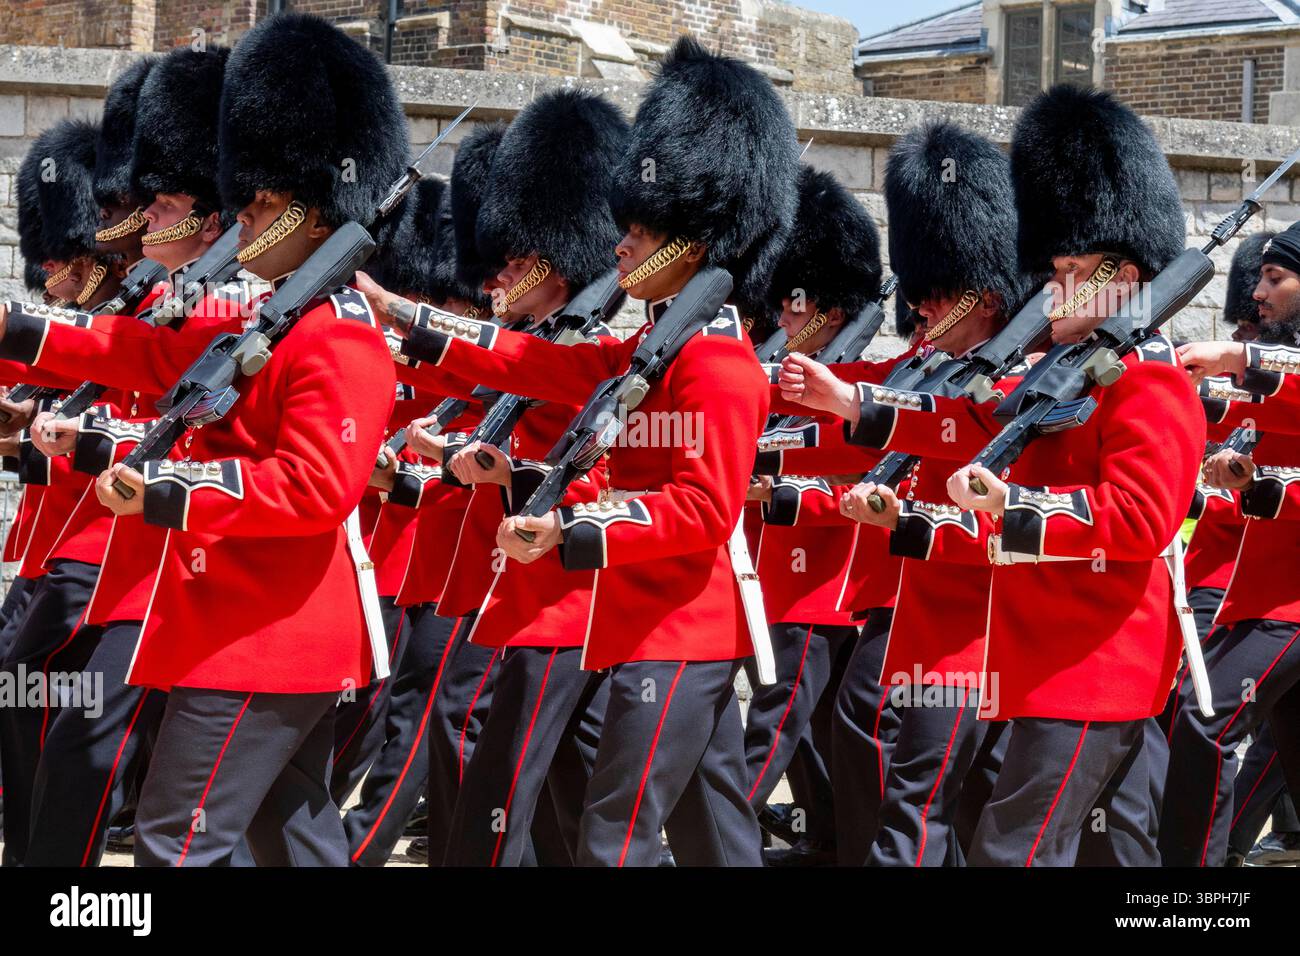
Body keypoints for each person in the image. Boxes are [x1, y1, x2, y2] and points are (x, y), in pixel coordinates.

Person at [372, 35, 799, 866]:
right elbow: (531, 361)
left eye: (640, 235)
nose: (621, 249)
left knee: (614, 838)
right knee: (713, 833)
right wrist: (409, 318)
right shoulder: (654, 349)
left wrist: (578, 529)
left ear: (687, 242)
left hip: (681, 631)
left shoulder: (716, 362)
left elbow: (706, 510)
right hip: (633, 623)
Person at [0, 11, 405, 866]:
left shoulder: (342, 333)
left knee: (174, 847)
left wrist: (164, 491)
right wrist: (17, 328)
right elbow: (143, 350)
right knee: (295, 841)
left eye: (261, 200)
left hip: (262, 641)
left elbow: (313, 488)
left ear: (312, 202)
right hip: (238, 632)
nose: (244, 215)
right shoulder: (278, 317)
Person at [781, 84, 1202, 866]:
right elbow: (965, 425)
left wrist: (1015, 507)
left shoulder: (1150, 381)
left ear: (1122, 273)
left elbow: (1141, 521)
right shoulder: (1068, 376)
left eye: (1073, 269)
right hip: (1033, 662)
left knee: (1018, 853)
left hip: (1094, 670)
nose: (1052, 285)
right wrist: (852, 402)